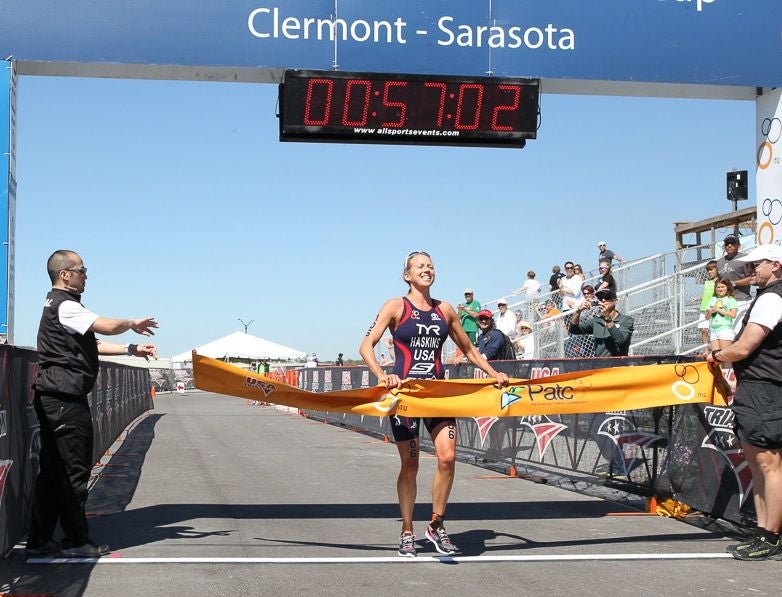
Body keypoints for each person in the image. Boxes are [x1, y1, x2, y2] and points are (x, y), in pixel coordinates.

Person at [358, 251, 509, 558]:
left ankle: (436, 524)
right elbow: (365, 346)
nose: (427, 270)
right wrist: (382, 375)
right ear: (407, 275)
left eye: (430, 266)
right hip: (405, 398)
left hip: (438, 395)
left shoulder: (446, 310)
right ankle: (407, 530)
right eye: (420, 266)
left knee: (448, 457)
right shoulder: (395, 306)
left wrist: (494, 373)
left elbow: (468, 349)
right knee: (410, 465)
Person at [26, 250, 158, 559]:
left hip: (54, 396)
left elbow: (94, 344)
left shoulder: (61, 307)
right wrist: (131, 322)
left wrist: (132, 349)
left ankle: (40, 539)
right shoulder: (66, 305)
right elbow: (106, 327)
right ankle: (75, 541)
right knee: (74, 470)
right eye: (82, 270)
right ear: (65, 275)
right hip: (64, 399)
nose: (87, 275)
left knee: (53, 470)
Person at [706, 244, 782, 560]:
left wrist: (715, 356)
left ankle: (771, 535)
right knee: (757, 463)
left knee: (769, 463)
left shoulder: (772, 298)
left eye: (756, 264)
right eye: (748, 264)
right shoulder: (763, 298)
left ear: (775, 264)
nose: (749, 269)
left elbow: (743, 348)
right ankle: (763, 531)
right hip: (754, 388)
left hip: (766, 389)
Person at [568, 289, 634, 356]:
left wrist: (608, 319)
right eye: (600, 298)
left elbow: (621, 341)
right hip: (601, 364)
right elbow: (573, 330)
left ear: (615, 301)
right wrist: (577, 312)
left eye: (607, 297)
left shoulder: (626, 320)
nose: (603, 300)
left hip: (619, 364)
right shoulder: (596, 321)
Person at [716, 234, 754, 334]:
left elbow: (752, 278)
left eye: (732, 243)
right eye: (727, 243)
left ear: (738, 245)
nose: (729, 245)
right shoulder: (719, 262)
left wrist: (733, 283)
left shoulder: (745, 258)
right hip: (724, 301)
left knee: (738, 331)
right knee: (725, 332)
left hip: (740, 300)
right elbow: (718, 281)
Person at [705, 277, 738, 350]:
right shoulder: (712, 299)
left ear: (727, 287)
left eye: (722, 287)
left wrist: (718, 310)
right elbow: (706, 317)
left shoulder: (731, 299)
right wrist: (710, 312)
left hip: (725, 330)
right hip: (713, 330)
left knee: (725, 356)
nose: (720, 289)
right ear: (715, 289)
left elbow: (733, 315)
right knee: (716, 356)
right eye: (718, 287)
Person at [697, 260, 719, 346]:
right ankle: (706, 350)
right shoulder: (707, 281)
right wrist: (698, 298)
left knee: (715, 330)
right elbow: (707, 295)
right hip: (704, 308)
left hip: (714, 309)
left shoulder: (720, 281)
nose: (709, 272)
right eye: (708, 270)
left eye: (711, 269)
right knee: (704, 330)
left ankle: (715, 349)